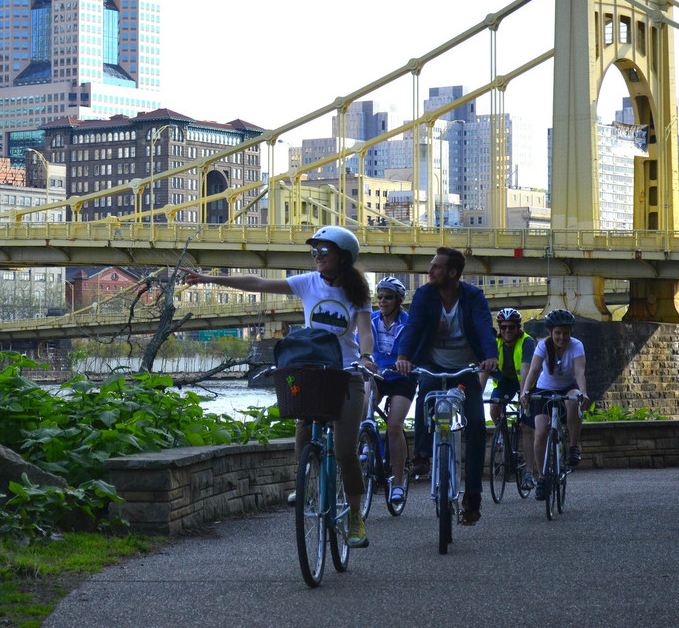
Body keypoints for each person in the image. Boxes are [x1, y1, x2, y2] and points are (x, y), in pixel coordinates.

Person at [184, 225, 374, 547]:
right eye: (313, 251)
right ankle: (306, 485)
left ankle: (355, 515)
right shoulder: (307, 282)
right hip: (314, 369)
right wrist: (207, 279)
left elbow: (365, 331)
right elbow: (258, 283)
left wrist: (367, 357)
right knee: (303, 421)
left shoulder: (358, 291)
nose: (316, 257)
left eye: (323, 251)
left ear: (342, 257)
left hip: (347, 373)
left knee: (345, 451)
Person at [394, 246, 498, 525]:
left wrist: (490, 356)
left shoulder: (473, 297)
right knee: (425, 392)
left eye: (436, 267)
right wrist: (403, 357)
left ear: (453, 273)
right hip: (433, 365)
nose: (430, 271)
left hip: (464, 371)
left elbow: (483, 327)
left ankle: (472, 497)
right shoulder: (424, 295)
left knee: (476, 423)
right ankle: (422, 455)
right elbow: (413, 326)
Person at [519, 308, 590, 501]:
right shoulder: (542, 346)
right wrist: (526, 391)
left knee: (574, 400)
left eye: (566, 333)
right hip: (544, 390)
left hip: (568, 387)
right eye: (558, 333)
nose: (562, 337)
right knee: (540, 434)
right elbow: (533, 370)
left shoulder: (576, 346)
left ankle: (574, 447)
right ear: (551, 332)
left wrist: (583, 393)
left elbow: (579, 373)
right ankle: (542, 478)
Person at [369, 276, 413, 506]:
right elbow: (361, 345)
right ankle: (367, 442)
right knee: (361, 408)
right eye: (380, 297)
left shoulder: (409, 322)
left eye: (388, 297)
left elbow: (416, 347)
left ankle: (397, 483)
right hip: (377, 375)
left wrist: (407, 361)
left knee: (394, 425)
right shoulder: (371, 320)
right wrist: (363, 359)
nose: (382, 301)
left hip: (401, 377)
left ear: (398, 300)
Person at [483, 307, 536, 490]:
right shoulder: (494, 342)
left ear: (517, 327)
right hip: (505, 382)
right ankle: (503, 438)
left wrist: (524, 396)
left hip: (526, 382)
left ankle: (529, 473)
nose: (507, 331)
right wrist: (476, 396)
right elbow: (484, 369)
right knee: (494, 408)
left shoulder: (527, 342)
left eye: (511, 327)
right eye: (503, 327)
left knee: (527, 426)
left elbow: (526, 370)